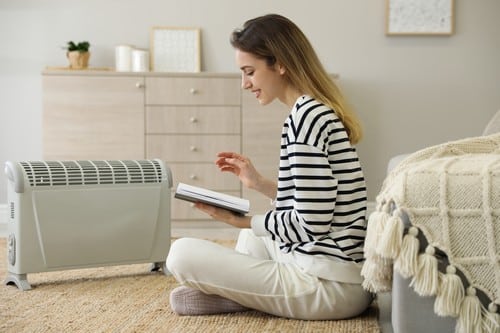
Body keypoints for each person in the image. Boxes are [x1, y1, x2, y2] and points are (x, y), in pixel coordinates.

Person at [166, 13, 372, 320]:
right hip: (329, 270)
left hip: (329, 286)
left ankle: (242, 294)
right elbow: (319, 201)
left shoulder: (306, 118)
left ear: (280, 64)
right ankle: (250, 294)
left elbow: (312, 224)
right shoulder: (312, 111)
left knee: (180, 253)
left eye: (249, 71)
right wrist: (260, 183)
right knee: (257, 236)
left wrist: (244, 221)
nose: (244, 84)